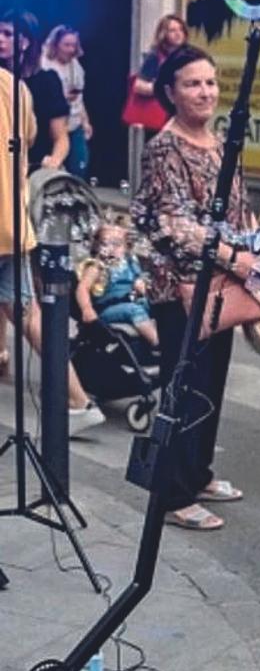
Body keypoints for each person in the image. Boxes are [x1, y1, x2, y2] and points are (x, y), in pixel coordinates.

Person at [131, 45, 257, 530]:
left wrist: (250, 251)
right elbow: (173, 225)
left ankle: (199, 473)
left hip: (220, 283)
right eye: (192, 84)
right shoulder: (166, 147)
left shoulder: (221, 142)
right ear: (169, 92)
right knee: (184, 386)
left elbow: (237, 207)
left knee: (212, 382)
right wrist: (236, 258)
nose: (205, 92)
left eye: (210, 82)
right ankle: (173, 493)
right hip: (179, 287)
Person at [0, 65, 103, 434]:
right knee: (26, 311)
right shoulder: (15, 86)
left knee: (24, 310)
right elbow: (26, 139)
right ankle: (78, 398)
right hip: (11, 219)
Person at [0, 13, 68, 173]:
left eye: (8, 34)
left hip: (33, 168)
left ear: (25, 43)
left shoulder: (46, 81)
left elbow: (61, 136)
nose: (0, 38)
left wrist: (55, 160)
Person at [75, 223, 158, 348]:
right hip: (106, 310)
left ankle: (173, 339)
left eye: (117, 244)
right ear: (97, 246)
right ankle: (157, 343)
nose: (111, 248)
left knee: (155, 304)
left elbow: (141, 281)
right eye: (105, 244)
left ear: (126, 248)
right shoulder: (97, 266)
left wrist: (141, 285)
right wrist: (87, 309)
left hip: (131, 301)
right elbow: (82, 288)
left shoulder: (130, 263)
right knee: (134, 310)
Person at [41, 25, 91, 178]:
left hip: (75, 122)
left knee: (79, 166)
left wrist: (86, 122)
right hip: (54, 124)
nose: (71, 49)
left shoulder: (76, 65)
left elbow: (80, 97)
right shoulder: (44, 65)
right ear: (56, 45)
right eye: (67, 45)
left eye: (74, 45)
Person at [133, 14, 189, 100]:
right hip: (159, 107)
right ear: (163, 34)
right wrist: (161, 88)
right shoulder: (155, 56)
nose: (178, 34)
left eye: (181, 29)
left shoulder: (189, 54)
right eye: (172, 30)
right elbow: (138, 85)